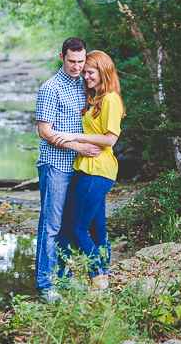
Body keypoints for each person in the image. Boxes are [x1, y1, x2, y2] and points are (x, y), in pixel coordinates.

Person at [34, 37, 103, 299]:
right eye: (72, 61)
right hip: (55, 165)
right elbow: (45, 131)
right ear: (61, 57)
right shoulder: (50, 88)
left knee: (69, 227)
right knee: (51, 226)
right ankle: (45, 286)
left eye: (81, 61)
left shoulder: (85, 85)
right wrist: (78, 146)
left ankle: (63, 280)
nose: (77, 66)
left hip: (80, 168)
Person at [56, 50, 125, 291]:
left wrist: (74, 136)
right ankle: (103, 279)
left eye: (90, 72)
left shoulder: (110, 100)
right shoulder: (95, 99)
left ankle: (98, 280)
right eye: (84, 72)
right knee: (97, 230)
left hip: (98, 170)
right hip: (86, 168)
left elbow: (110, 139)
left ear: (104, 72)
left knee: (76, 229)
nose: (85, 76)